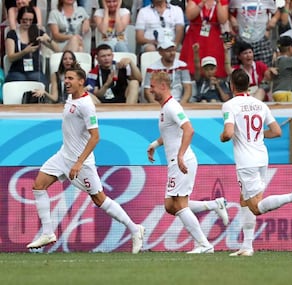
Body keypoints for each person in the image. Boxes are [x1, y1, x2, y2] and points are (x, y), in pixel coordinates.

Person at [26, 66, 145, 253]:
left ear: (81, 81)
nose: (66, 81)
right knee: (38, 186)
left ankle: (134, 228)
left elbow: (95, 136)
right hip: (63, 156)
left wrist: (79, 162)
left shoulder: (86, 105)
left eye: (71, 78)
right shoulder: (70, 98)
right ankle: (48, 232)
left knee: (99, 200)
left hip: (81, 162)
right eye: (65, 78)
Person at [220, 69, 292, 256]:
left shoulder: (229, 105)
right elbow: (277, 131)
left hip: (246, 161)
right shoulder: (259, 104)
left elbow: (228, 133)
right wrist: (255, 134)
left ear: (231, 86)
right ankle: (247, 247)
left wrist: (223, 136)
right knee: (244, 200)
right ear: (249, 85)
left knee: (255, 207)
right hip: (262, 157)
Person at [146, 71, 223, 253]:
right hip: (175, 160)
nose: (150, 90)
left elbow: (189, 130)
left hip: (181, 160)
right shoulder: (165, 108)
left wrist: (180, 155)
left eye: (152, 86)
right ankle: (214, 205)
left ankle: (204, 245)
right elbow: (170, 134)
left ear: (163, 86)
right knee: (170, 206)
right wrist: (154, 144)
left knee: (180, 204)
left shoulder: (173, 107)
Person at [5, 6, 59, 87]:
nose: (28, 23)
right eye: (24, 20)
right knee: (19, 80)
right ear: (19, 19)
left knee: (39, 81)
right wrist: (24, 52)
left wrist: (48, 40)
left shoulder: (37, 32)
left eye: (30, 20)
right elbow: (10, 57)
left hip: (35, 71)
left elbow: (57, 50)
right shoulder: (12, 34)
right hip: (17, 70)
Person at [179, 0, 229, 78]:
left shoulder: (222, 1)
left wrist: (218, 2)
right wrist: (202, 3)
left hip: (213, 40)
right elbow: (189, 16)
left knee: (214, 70)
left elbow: (223, 20)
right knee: (192, 68)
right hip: (195, 38)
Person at [228, 0, 279, 67]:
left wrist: (274, 19)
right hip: (242, 38)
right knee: (238, 70)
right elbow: (228, 12)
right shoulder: (236, 1)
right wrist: (232, 18)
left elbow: (277, 12)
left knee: (264, 68)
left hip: (261, 38)